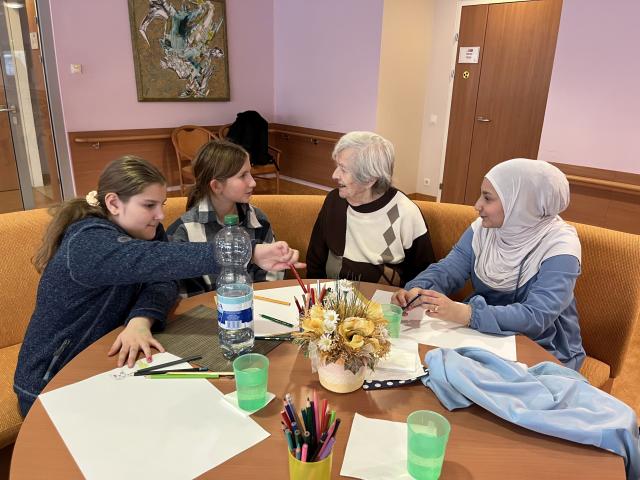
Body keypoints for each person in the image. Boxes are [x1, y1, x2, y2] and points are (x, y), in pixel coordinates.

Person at [13, 156, 302, 416]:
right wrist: (248, 251)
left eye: (161, 205)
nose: (161, 215)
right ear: (113, 203)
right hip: (50, 381)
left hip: (109, 362)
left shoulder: (144, 228)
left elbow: (164, 280)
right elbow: (156, 260)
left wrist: (141, 319)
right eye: (149, 205)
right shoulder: (87, 242)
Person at [393, 159, 585, 370]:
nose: (477, 205)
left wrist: (467, 314)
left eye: (487, 198)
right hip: (482, 333)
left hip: (540, 344)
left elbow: (537, 317)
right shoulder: (485, 229)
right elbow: (448, 269)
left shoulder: (560, 246)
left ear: (521, 203)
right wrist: (417, 290)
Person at [306, 131, 435, 286]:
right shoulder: (334, 201)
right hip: (332, 302)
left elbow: (425, 277)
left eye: (343, 169)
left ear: (369, 179)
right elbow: (315, 259)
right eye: (337, 166)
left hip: (384, 306)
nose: (334, 175)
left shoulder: (405, 213)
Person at [167, 139, 282, 296]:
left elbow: (271, 277)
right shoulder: (182, 232)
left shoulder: (258, 219)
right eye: (243, 176)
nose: (253, 182)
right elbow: (188, 296)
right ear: (216, 186)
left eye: (250, 172)